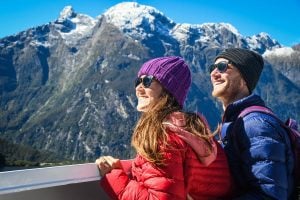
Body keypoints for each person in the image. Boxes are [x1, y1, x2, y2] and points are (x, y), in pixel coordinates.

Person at [95, 56, 234, 199]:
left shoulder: (163, 137)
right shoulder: (196, 131)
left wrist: (114, 176)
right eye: (138, 81)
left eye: (147, 81)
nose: (139, 88)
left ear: (168, 90)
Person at [209, 48, 295, 199]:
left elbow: (270, 195)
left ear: (244, 78)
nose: (214, 73)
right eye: (212, 68)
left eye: (222, 67)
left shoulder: (256, 125)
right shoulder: (237, 121)